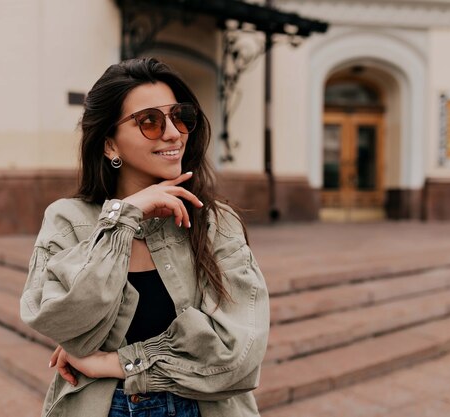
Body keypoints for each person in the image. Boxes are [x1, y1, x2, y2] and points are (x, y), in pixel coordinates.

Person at [20, 57, 269, 417]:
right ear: (110, 145)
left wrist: (115, 363)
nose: (173, 133)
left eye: (179, 116)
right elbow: (61, 320)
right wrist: (123, 218)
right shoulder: (68, 221)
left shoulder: (216, 222)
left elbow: (238, 354)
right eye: (150, 121)